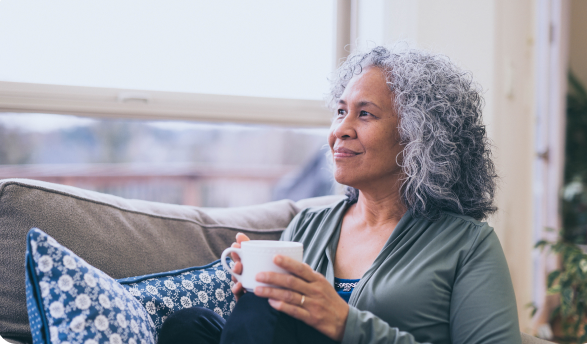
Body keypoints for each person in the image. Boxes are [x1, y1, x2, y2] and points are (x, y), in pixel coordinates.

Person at [158, 45, 521, 344]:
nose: (341, 130)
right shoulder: (308, 225)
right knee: (190, 327)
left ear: (419, 137)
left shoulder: (468, 246)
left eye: (365, 115)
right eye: (341, 111)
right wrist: (253, 303)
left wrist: (347, 324)